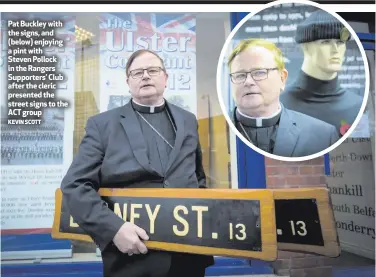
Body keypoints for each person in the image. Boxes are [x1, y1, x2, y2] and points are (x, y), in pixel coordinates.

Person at [60, 49, 213, 277]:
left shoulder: (188, 120)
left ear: (165, 77)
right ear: (128, 81)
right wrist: (114, 229)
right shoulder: (103, 125)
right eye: (137, 72)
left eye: (153, 70)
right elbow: (75, 185)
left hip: (188, 257)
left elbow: (197, 178)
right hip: (132, 257)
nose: (145, 76)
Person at [227, 38, 339, 157]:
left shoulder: (323, 134)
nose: (248, 82)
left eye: (259, 72)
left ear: (282, 78)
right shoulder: (216, 132)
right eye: (240, 75)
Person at [280, 9, 363, 136]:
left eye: (340, 42)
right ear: (306, 47)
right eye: (326, 42)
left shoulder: (358, 106)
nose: (335, 50)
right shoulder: (279, 105)